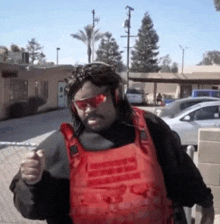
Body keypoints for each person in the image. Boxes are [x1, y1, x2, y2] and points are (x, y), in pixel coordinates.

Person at [10, 62, 214, 224]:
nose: (88, 109)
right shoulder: (58, 147)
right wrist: (31, 182)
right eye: (81, 104)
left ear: (116, 95)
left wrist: (206, 203)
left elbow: (180, 172)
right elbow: (32, 210)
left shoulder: (149, 129)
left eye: (96, 100)